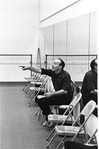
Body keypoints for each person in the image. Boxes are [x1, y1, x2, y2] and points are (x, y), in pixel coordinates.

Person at [21, 58, 73, 126]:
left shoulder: (66, 75)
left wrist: (51, 94)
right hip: (58, 95)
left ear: (60, 67)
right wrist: (29, 68)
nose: (52, 65)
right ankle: (50, 118)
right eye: (52, 63)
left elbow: (65, 91)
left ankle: (49, 119)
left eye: (55, 64)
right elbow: (39, 70)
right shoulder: (53, 72)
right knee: (40, 101)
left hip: (65, 98)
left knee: (44, 102)